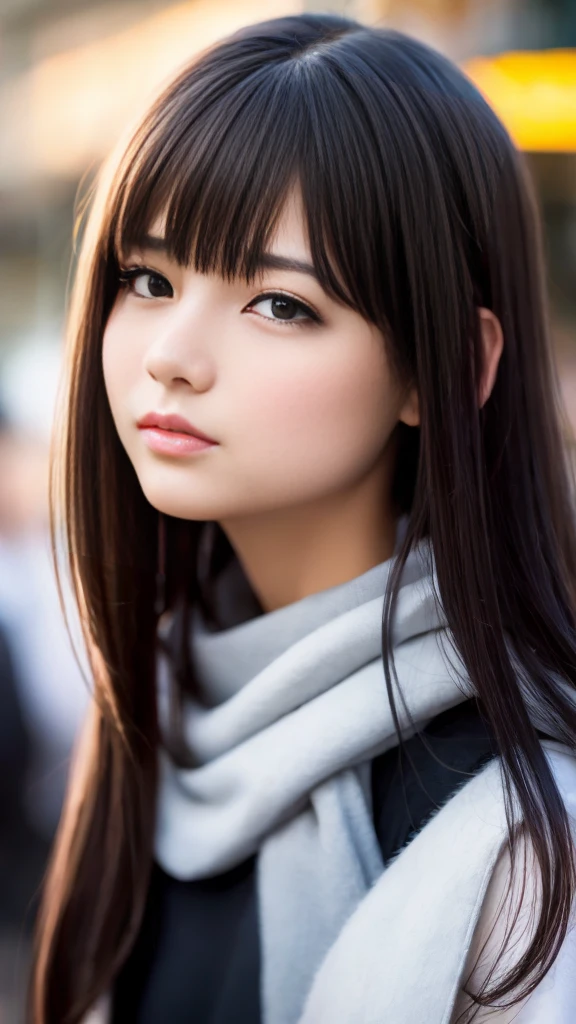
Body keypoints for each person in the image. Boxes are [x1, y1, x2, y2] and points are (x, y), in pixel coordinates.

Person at [27, 13, 576, 1024]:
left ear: (450, 365)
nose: (172, 355)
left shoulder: (524, 841)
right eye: (148, 279)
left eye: (280, 305)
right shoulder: (155, 717)